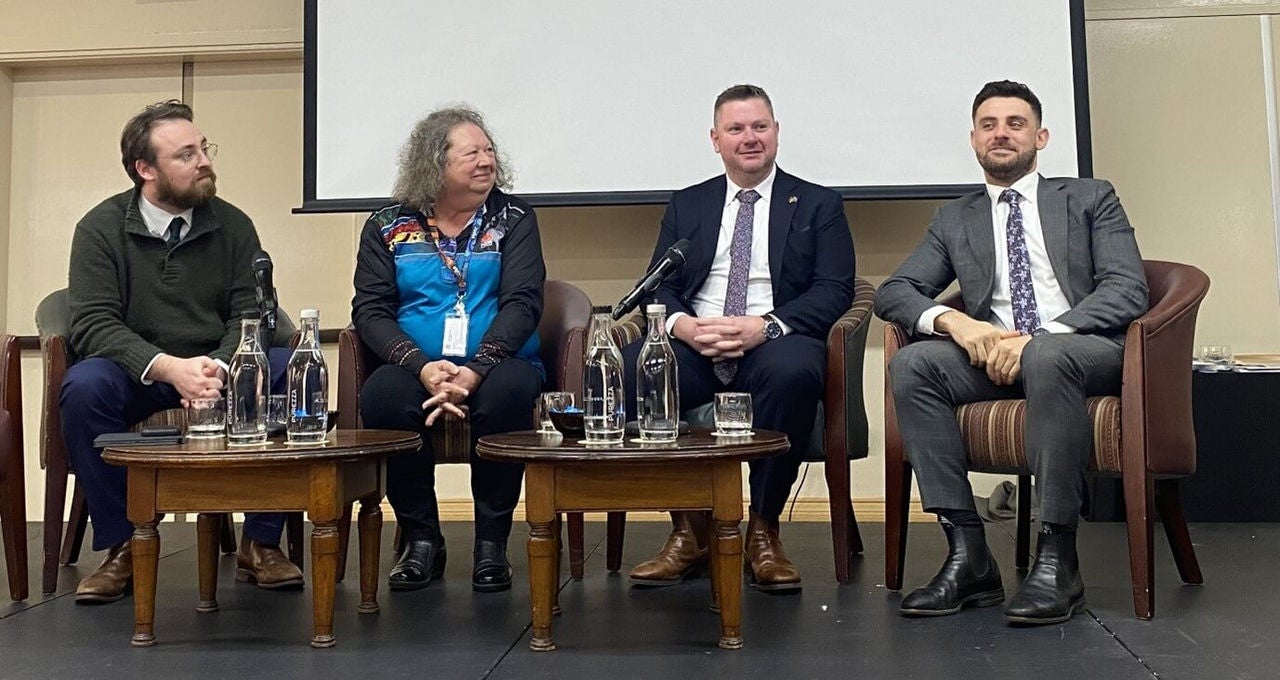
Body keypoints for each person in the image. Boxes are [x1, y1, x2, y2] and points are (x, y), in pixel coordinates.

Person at [875, 80, 1148, 625]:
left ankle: (1057, 559)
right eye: (989, 124)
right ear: (974, 140)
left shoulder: (1091, 197)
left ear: (1040, 136)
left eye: (1015, 123)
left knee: (1046, 356)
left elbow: (1127, 288)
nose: (1001, 133)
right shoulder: (955, 217)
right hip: (995, 359)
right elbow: (894, 292)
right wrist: (953, 321)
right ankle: (968, 553)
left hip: (1081, 350)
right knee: (913, 364)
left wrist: (1041, 335)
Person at [63, 100, 301, 604]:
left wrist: (216, 367)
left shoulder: (233, 225)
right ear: (144, 170)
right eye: (186, 154)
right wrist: (169, 368)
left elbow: (252, 313)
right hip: (139, 371)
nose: (205, 162)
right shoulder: (99, 228)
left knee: (283, 369)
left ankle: (261, 543)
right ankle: (122, 546)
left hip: (219, 367)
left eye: (204, 148)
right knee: (84, 386)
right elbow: (93, 322)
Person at [622, 84, 855, 592]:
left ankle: (764, 531)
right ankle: (689, 530)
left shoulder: (818, 204)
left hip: (775, 336)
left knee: (794, 371)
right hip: (696, 338)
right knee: (641, 361)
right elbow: (658, 284)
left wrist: (764, 326)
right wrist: (683, 328)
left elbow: (835, 289)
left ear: (776, 132)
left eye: (759, 127)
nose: (749, 138)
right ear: (715, 139)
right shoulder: (689, 204)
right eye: (736, 129)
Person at [353, 106, 545, 594]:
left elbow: (523, 302)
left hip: (498, 362)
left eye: (489, 150)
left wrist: (477, 368)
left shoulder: (515, 219)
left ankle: (491, 543)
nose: (487, 161)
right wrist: (422, 367)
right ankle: (421, 538)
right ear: (434, 164)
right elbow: (370, 311)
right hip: (414, 365)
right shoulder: (387, 226)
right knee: (384, 399)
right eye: (471, 153)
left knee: (509, 393)